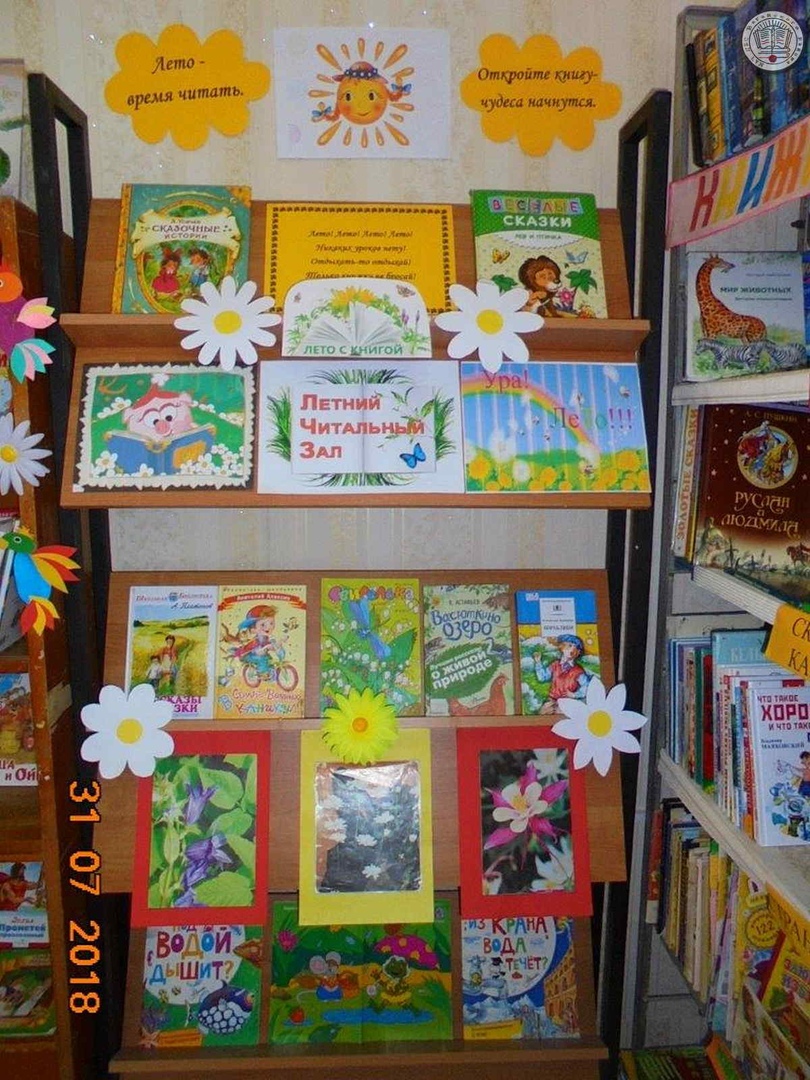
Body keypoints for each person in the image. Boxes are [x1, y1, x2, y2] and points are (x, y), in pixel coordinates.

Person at [533, 634, 590, 712]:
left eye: (576, 647)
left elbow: (586, 686)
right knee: (543, 713)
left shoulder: (578, 671)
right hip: (552, 700)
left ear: (578, 652)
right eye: (569, 646)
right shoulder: (555, 665)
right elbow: (542, 677)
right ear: (562, 647)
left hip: (567, 703)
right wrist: (538, 662)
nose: (572, 649)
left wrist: (574, 695)